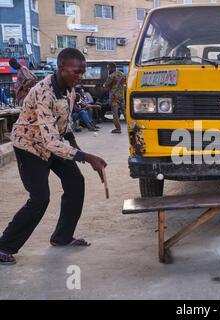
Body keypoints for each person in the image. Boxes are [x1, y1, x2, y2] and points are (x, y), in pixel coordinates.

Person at [0, 48, 107, 265]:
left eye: (82, 72)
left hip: (54, 143)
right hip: (30, 146)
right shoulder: (43, 92)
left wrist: (75, 147)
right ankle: (4, 246)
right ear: (61, 68)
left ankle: (62, 237)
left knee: (75, 182)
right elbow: (49, 141)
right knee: (40, 198)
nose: (80, 76)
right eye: (75, 72)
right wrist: (86, 157)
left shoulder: (69, 90)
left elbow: (63, 124)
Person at [103, 63, 126, 134]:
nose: (108, 69)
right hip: (121, 96)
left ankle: (118, 128)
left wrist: (106, 86)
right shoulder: (122, 74)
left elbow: (105, 85)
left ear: (112, 68)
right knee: (124, 111)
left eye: (108, 68)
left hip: (114, 97)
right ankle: (132, 126)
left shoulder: (111, 76)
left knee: (115, 113)